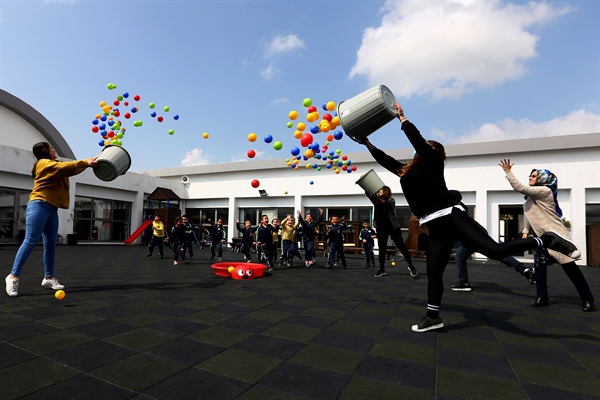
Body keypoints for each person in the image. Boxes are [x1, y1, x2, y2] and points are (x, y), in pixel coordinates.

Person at [360, 102, 581, 332]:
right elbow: (385, 160)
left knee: (495, 251)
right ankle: (433, 317)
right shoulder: (406, 171)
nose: (421, 148)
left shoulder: (432, 162)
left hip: (451, 217)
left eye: (426, 146)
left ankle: (547, 240)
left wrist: (402, 119)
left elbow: (418, 140)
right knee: (434, 273)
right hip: (434, 226)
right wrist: (367, 143)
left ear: (434, 152)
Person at [5, 142, 98, 297]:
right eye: (52, 148)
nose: (55, 149)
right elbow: (65, 168)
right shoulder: (43, 163)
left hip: (51, 208)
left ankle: (49, 278)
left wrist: (88, 163)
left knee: (50, 244)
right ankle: (13, 276)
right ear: (46, 151)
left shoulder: (54, 165)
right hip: (39, 205)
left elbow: (69, 169)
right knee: (30, 240)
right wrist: (86, 163)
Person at [500, 161, 594, 312]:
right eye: (530, 175)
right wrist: (525, 230)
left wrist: (508, 172)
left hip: (555, 238)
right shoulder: (530, 198)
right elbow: (530, 214)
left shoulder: (545, 191)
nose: (530, 177)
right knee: (539, 268)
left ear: (543, 179)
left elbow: (520, 187)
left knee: (570, 268)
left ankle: (587, 298)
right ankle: (542, 297)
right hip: (541, 239)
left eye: (534, 175)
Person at [367, 186, 418, 278]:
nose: (379, 191)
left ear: (386, 191)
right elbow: (369, 194)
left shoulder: (391, 200)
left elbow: (386, 204)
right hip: (381, 228)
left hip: (392, 227)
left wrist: (376, 196)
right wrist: (365, 184)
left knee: (401, 246)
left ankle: (411, 266)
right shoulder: (376, 201)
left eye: (381, 190)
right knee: (382, 248)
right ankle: (382, 269)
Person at [452, 241, 535, 292]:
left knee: (459, 257)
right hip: (477, 236)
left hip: (472, 239)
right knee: (496, 254)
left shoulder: (450, 217)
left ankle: (464, 283)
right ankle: (525, 270)